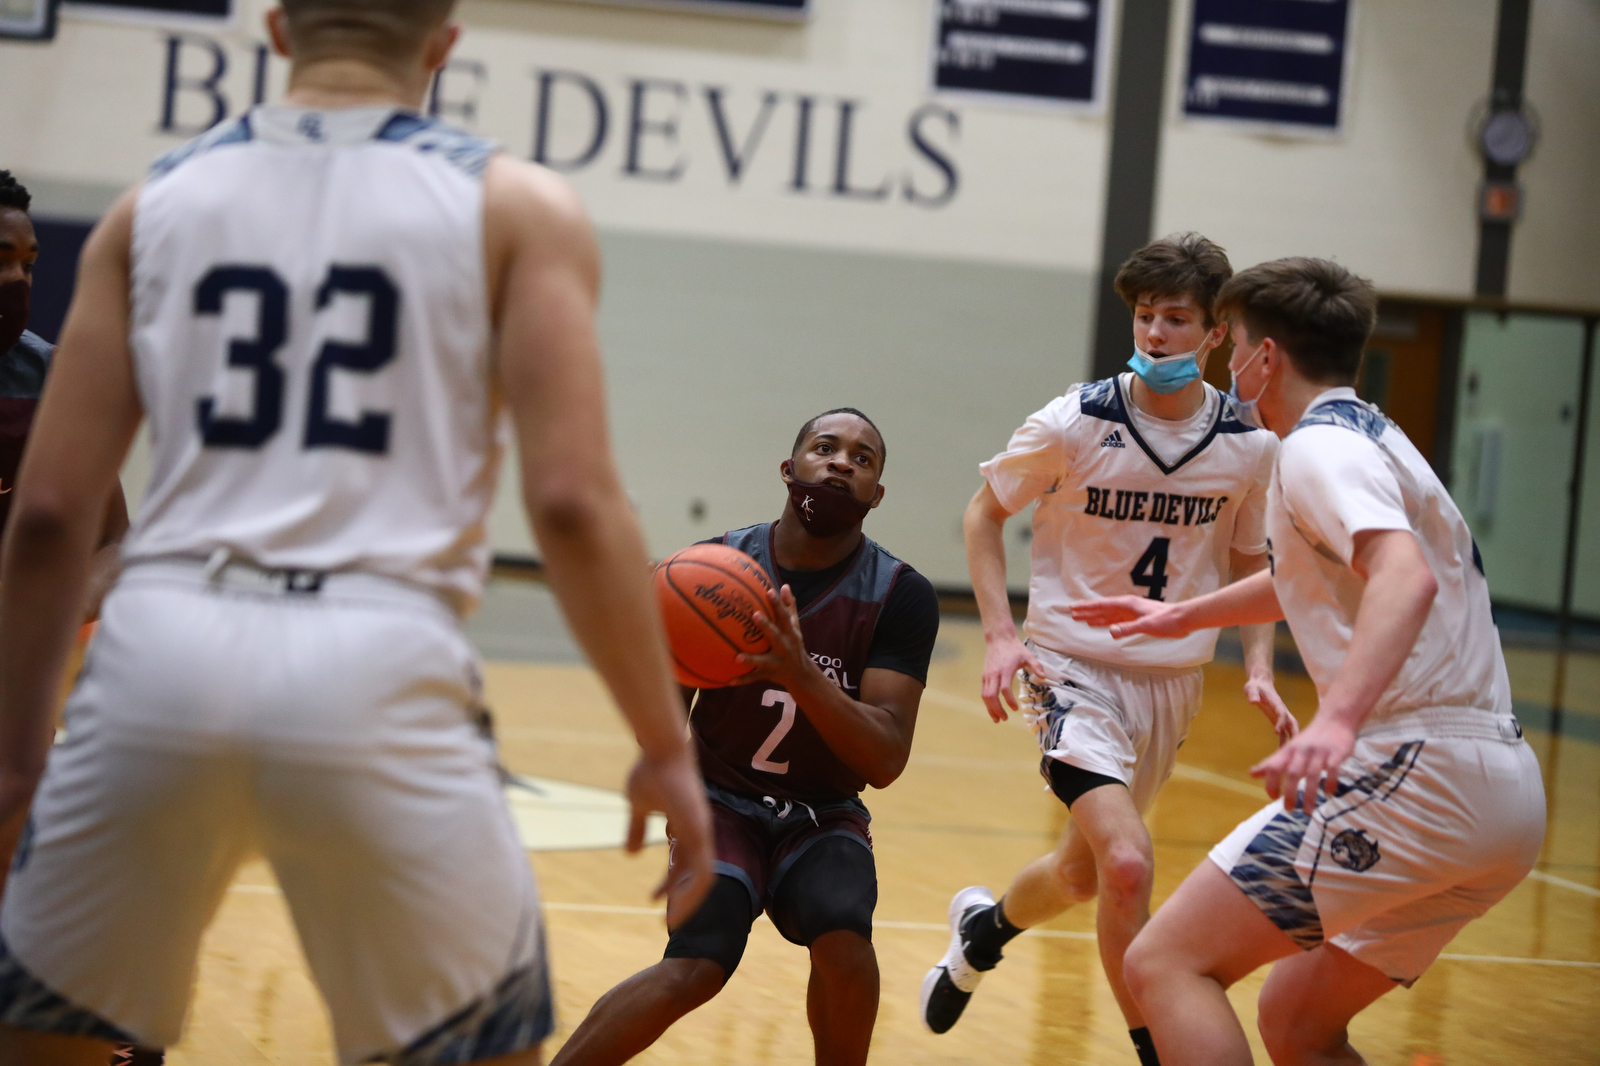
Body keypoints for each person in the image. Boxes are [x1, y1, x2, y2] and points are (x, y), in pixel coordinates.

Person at [0, 3, 716, 1064]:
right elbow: (573, 502)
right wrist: (663, 745)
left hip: (158, 656)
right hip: (378, 661)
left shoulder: (152, 205)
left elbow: (51, 516)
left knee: (40, 1043)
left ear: (279, 31)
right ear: (443, 44)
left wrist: (18, 761)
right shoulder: (515, 205)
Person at [1077, 258, 1545, 1066]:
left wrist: (1336, 724)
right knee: (1297, 1020)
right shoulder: (1376, 438)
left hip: (1414, 771)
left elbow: (1404, 576)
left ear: (1267, 358)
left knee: (1164, 964)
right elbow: (1311, 574)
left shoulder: (1316, 451)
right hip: (1503, 793)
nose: (1228, 366)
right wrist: (1184, 613)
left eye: (1235, 347)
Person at [922, 233, 1293, 1066]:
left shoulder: (1249, 441)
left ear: (1215, 332)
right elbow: (984, 514)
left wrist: (1259, 667)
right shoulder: (1076, 420)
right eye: (1144, 316)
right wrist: (1001, 636)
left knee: (1083, 875)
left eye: (1175, 318)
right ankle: (1155, 1048)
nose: (1155, 333)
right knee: (1127, 863)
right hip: (1069, 669)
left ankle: (983, 932)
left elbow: (1250, 561)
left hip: (1170, 683)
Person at [551, 408, 940, 1066]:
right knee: (698, 963)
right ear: (789, 469)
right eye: (825, 447)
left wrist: (800, 674)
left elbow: (886, 758)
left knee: (845, 942)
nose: (841, 463)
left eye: (862, 459)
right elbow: (661, 719)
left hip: (823, 813)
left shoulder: (900, 596)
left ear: (876, 495)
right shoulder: (713, 569)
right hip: (719, 801)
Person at [0, 170, 127, 636]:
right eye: (0, 260)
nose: (18, 280)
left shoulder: (52, 375)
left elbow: (114, 541)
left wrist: (46, 614)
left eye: (28, 265)